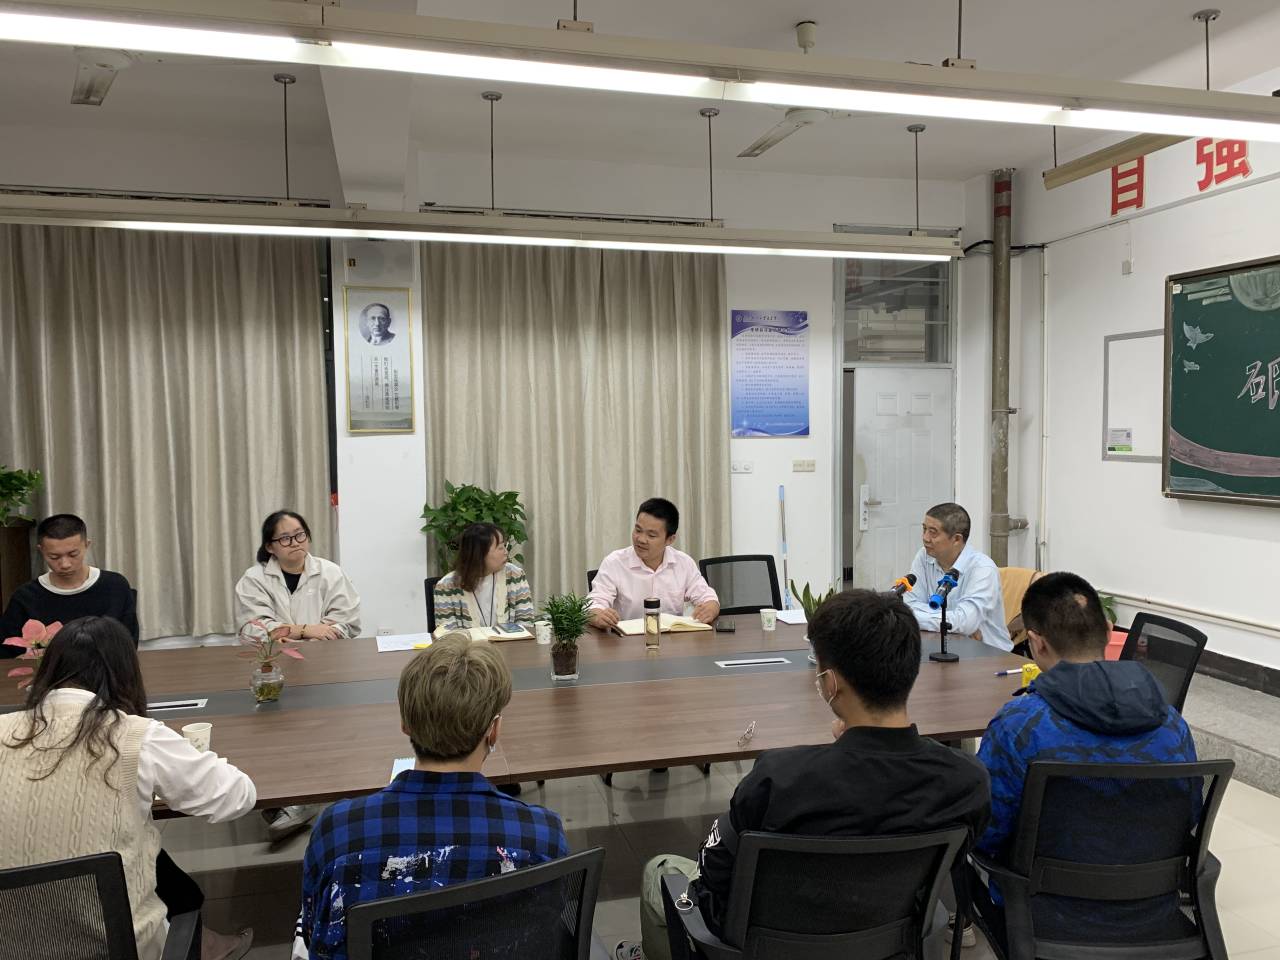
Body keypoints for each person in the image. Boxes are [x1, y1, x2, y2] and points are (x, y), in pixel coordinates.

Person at [618, 589, 991, 960]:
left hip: (767, 948)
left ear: (831, 683)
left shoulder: (780, 778)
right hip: (890, 941)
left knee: (660, 870)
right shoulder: (965, 781)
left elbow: (713, 872)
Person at [966, 572, 1199, 953]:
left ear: (1036, 643)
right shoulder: (1172, 725)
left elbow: (986, 831)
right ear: (1108, 631)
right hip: (1153, 914)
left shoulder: (1021, 725)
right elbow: (1188, 814)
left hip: (1042, 918)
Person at [297, 634, 569, 960]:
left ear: (404, 723)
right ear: (493, 730)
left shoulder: (337, 831)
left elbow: (314, 933)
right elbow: (547, 932)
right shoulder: (542, 836)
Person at [0, 617, 258, 960]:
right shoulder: (135, 736)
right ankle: (204, 943)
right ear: (125, 672)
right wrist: (199, 756)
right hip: (118, 947)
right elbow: (237, 796)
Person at [235, 510, 360, 839]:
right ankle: (285, 796)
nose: (295, 543)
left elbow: (346, 622)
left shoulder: (329, 573)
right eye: (285, 538)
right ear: (270, 546)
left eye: (300, 534)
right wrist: (306, 629)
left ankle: (307, 797)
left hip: (325, 666)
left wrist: (308, 637)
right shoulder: (254, 579)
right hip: (274, 666)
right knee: (274, 730)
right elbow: (253, 627)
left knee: (323, 727)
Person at [1, 513, 139, 651]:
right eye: (54, 557)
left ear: (87, 545)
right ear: (41, 550)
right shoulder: (26, 596)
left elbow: (129, 643)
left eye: (73, 554)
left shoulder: (115, 586)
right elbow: (7, 650)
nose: (65, 564)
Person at [587, 498, 719, 630]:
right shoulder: (614, 563)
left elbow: (708, 598)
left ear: (670, 539)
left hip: (671, 639)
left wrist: (711, 608)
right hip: (627, 639)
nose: (641, 539)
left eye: (651, 535)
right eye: (638, 530)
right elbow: (594, 603)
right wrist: (597, 614)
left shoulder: (683, 563)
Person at [903, 502, 1010, 651]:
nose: (925, 538)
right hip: (942, 644)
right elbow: (909, 605)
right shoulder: (924, 556)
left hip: (988, 654)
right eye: (924, 529)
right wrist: (955, 624)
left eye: (933, 532)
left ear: (956, 539)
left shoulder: (983, 569)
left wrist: (913, 617)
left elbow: (966, 623)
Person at [433, 522, 536, 631]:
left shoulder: (514, 575)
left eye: (505, 546)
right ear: (479, 553)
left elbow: (526, 623)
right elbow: (447, 634)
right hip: (468, 643)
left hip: (512, 642)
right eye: (500, 548)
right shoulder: (446, 586)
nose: (506, 552)